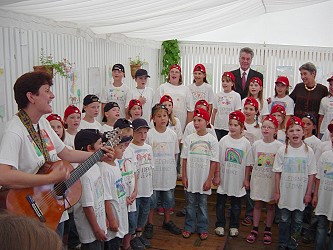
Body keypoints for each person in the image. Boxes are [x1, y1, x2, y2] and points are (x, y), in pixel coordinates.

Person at [0, 71, 112, 195]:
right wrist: (49, 179)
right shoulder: (14, 130)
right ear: (31, 97)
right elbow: (3, 175)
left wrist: (99, 155)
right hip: (26, 207)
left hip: (47, 202)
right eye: (47, 91)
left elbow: (67, 153)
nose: (52, 95)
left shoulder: (43, 123)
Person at [273, 116, 316, 250]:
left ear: (303, 132)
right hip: (285, 194)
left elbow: (312, 174)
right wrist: (277, 191)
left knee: (298, 221)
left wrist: (309, 193)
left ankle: (293, 244)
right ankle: (282, 243)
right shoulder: (281, 150)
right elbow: (277, 173)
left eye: (298, 130)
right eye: (291, 131)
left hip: (300, 195)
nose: (295, 133)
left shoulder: (308, 151)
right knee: (284, 220)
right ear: (286, 134)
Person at [213, 110, 253, 237]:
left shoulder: (246, 143)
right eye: (230, 124)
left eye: (236, 125)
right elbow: (218, 159)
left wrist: (246, 179)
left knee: (236, 206)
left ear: (242, 127)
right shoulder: (224, 140)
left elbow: (247, 164)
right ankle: (220, 224)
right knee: (220, 204)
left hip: (237, 180)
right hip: (224, 179)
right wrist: (217, 175)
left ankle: (234, 226)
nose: (232, 127)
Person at [181, 108, 219, 240]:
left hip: (203, 179)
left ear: (207, 122)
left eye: (199, 120)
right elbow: (184, 159)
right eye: (194, 120)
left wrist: (209, 179)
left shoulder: (212, 140)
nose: (196, 123)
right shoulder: (189, 139)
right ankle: (189, 226)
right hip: (191, 178)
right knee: (190, 204)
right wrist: (184, 176)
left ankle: (203, 228)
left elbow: (214, 162)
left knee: (202, 205)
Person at [245, 115, 283, 245]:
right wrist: (247, 179)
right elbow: (250, 164)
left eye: (270, 127)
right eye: (264, 126)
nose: (266, 129)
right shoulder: (256, 144)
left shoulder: (279, 146)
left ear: (275, 130)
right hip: (258, 181)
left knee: (270, 206)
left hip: (271, 182)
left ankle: (268, 230)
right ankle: (255, 229)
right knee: (257, 205)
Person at [146, 104, 181, 236]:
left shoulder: (172, 134)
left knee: (168, 200)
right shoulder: (149, 134)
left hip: (168, 174)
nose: (162, 119)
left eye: (165, 116)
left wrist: (175, 172)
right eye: (159, 116)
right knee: (152, 202)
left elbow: (175, 154)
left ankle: (167, 221)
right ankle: (149, 223)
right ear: (153, 118)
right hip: (154, 175)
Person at [73, 129, 108, 250]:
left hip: (99, 224)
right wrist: (97, 229)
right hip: (90, 231)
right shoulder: (83, 174)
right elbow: (87, 206)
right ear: (89, 148)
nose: (103, 146)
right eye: (99, 143)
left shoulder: (96, 166)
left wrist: (104, 219)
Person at [100, 132, 130, 250]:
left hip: (120, 212)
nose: (123, 150)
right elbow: (106, 198)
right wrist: (111, 220)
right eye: (120, 147)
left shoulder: (116, 163)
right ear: (110, 149)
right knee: (112, 244)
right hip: (113, 216)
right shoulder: (105, 169)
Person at [128, 118, 154, 248]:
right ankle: (132, 236)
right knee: (134, 214)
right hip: (136, 190)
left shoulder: (148, 148)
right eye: (139, 133)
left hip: (147, 188)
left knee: (144, 212)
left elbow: (151, 167)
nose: (143, 136)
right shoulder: (130, 148)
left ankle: (139, 234)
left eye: (145, 133)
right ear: (132, 132)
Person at [154, 64, 194, 131]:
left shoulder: (186, 90)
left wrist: (187, 129)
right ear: (169, 74)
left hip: (181, 125)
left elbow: (190, 110)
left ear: (180, 75)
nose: (174, 74)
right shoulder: (162, 88)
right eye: (172, 72)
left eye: (176, 72)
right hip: (163, 125)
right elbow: (155, 108)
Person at [312, 123, 333, 250]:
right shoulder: (325, 155)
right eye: (332, 135)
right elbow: (318, 177)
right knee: (321, 225)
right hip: (324, 196)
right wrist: (316, 195)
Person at [211, 71, 242, 141]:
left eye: (227, 81)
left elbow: (238, 113)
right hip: (218, 126)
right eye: (223, 81)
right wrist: (212, 125)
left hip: (230, 127)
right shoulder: (217, 95)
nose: (225, 83)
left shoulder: (236, 96)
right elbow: (214, 111)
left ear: (232, 83)